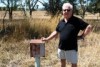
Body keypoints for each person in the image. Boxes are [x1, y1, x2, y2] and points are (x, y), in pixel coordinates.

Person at [42, 3, 92, 67]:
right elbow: (56, 31)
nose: (66, 11)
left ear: (72, 11)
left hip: (72, 48)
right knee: (62, 64)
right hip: (61, 48)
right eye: (64, 10)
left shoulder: (77, 21)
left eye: (68, 10)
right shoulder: (61, 22)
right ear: (62, 11)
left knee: (73, 65)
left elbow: (89, 27)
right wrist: (47, 39)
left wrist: (82, 36)